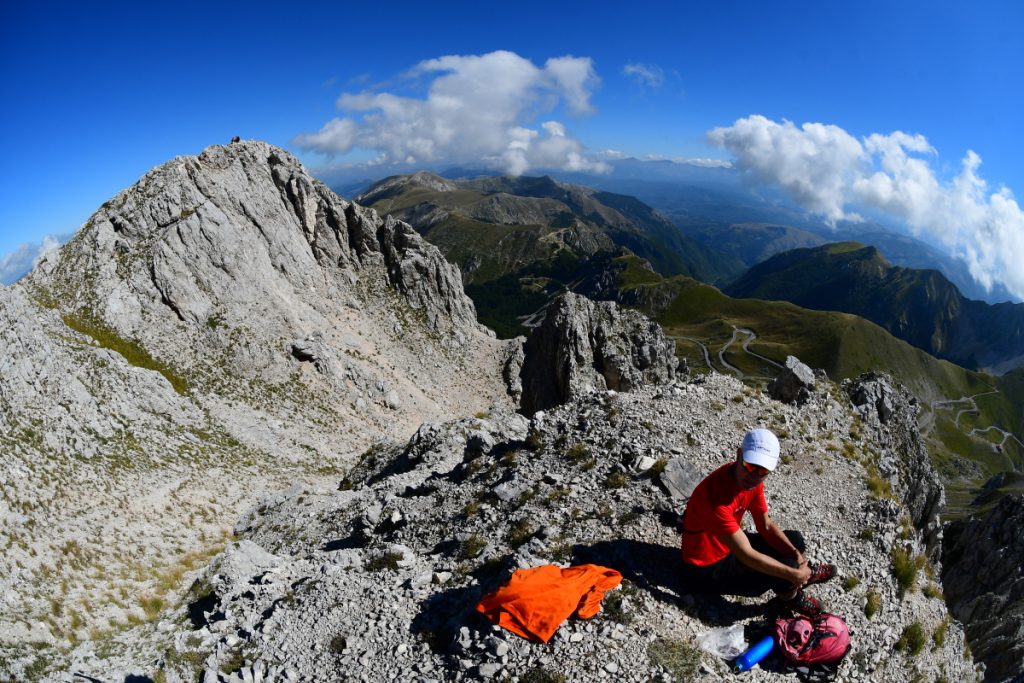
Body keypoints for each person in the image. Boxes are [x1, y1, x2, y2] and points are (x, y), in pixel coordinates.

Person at [680, 428, 835, 615]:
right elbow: (747, 554)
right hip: (705, 569)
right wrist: (793, 573)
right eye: (750, 465)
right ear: (739, 455)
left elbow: (766, 526)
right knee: (788, 567)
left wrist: (796, 554)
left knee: (795, 541)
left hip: (727, 545)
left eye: (762, 470)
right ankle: (791, 598)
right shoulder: (716, 500)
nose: (754, 475)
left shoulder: (748, 480)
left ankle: (801, 576)